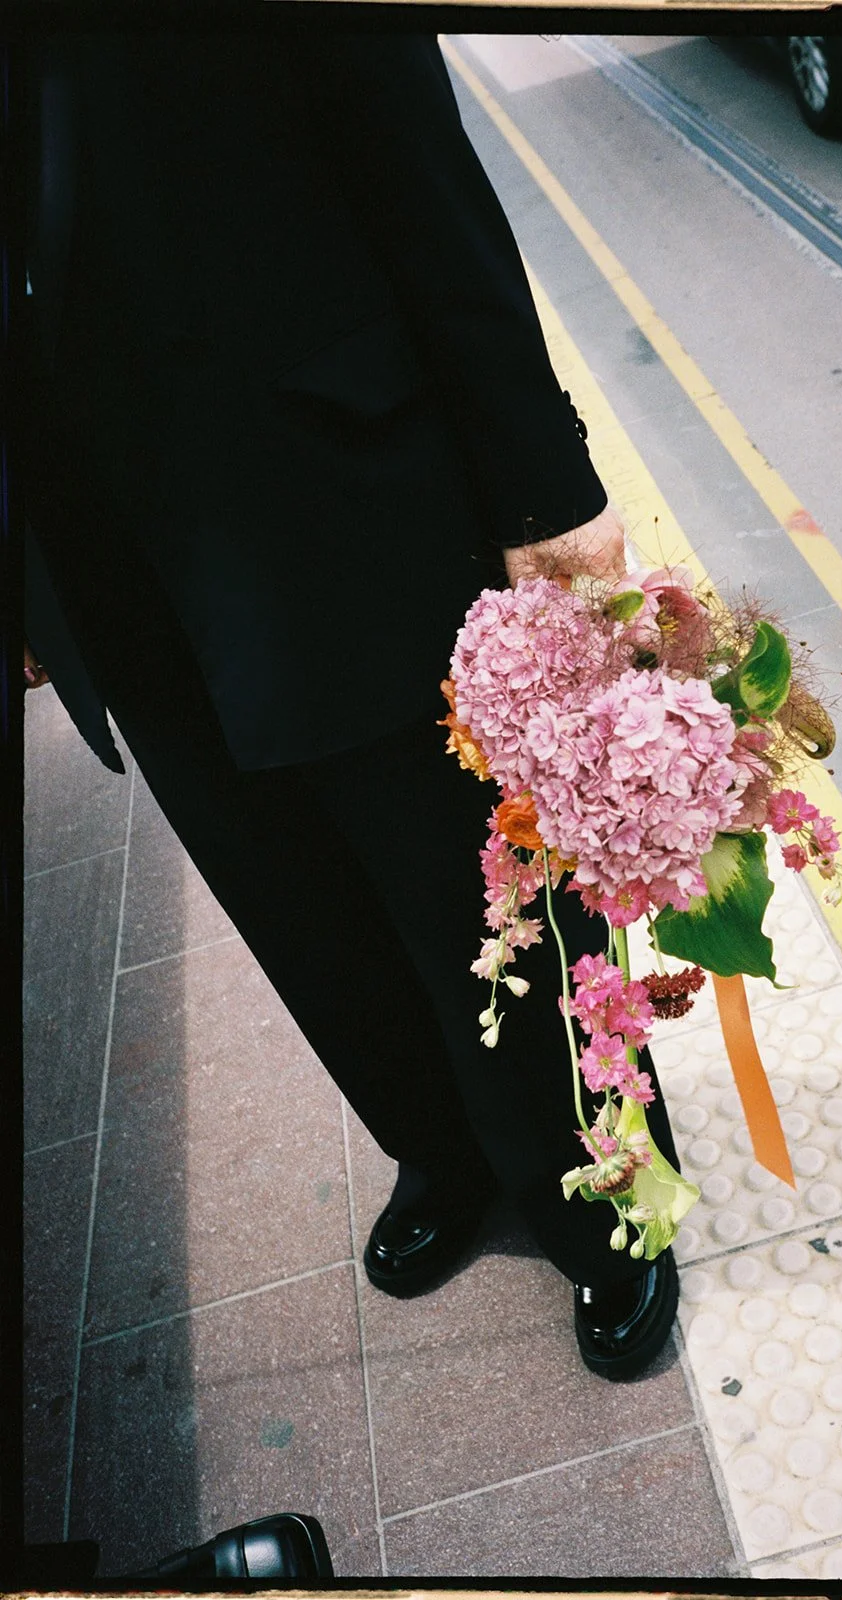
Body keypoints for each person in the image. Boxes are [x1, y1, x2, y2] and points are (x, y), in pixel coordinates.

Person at [24, 30, 681, 1380]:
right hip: (105, 548)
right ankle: (440, 1143)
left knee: (470, 884)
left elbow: (414, 165)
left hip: (338, 493)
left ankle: (603, 1195)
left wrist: (541, 486)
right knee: (293, 898)